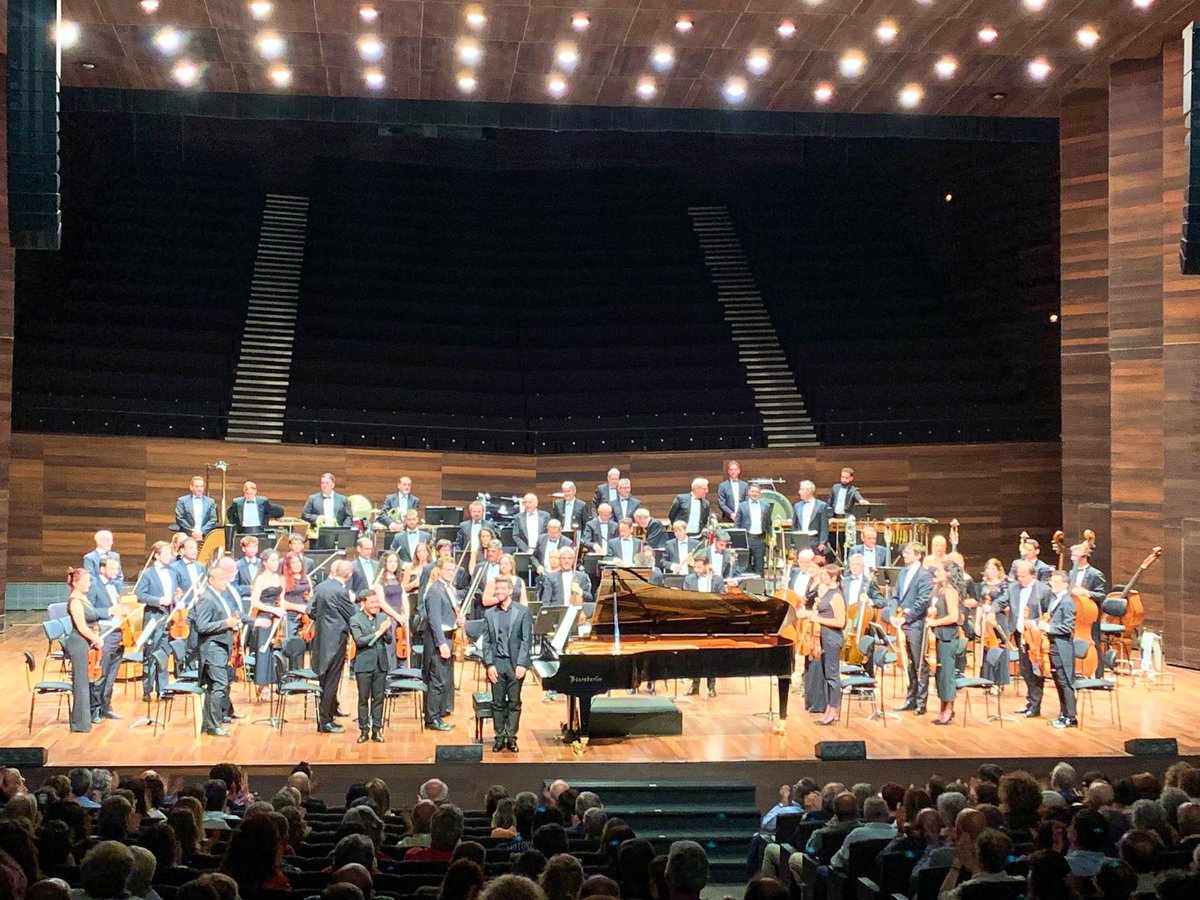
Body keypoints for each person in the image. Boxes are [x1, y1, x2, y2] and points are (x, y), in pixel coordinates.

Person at [481, 577, 533, 753]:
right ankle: (499, 737)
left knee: (514, 702)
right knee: (497, 703)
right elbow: (486, 643)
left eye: (503, 588)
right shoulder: (489, 614)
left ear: (510, 591)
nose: (499, 591)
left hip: (515, 665)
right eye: (497, 589)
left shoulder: (523, 611)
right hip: (497, 664)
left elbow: (527, 640)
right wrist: (489, 664)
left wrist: (522, 664)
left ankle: (511, 737)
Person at [191, 564, 241, 737]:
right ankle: (214, 724)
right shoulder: (207, 598)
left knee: (215, 686)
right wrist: (226, 624)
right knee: (219, 685)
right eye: (221, 579)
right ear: (211, 580)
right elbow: (202, 626)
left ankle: (210, 723)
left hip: (221, 647)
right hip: (213, 648)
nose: (225, 582)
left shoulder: (220, 596)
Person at [311, 560, 357, 734]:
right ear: (349, 575)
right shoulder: (342, 591)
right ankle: (325, 721)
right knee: (332, 681)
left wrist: (325, 621)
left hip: (321, 638)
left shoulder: (321, 587)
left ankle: (328, 713)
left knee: (324, 678)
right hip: (336, 640)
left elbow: (310, 610)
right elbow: (351, 614)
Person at [1001, 560, 1052, 718]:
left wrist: (1035, 622)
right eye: (1018, 576)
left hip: (1034, 635)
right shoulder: (1013, 588)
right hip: (1019, 633)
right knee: (1025, 670)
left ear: (1032, 575)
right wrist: (993, 609)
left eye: (1023, 576)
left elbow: (1049, 614)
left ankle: (1036, 706)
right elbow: (1002, 600)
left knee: (1035, 670)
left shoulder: (1043, 590)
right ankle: (1031, 701)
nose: (1020, 579)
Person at [890, 542, 933, 715]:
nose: (904, 554)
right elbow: (895, 596)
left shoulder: (924, 575)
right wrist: (893, 614)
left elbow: (922, 601)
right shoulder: (902, 573)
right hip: (901, 622)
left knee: (919, 663)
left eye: (908, 552)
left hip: (915, 624)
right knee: (908, 663)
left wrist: (906, 618)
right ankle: (910, 699)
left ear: (918, 555)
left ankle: (921, 702)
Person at [248, 551, 294, 702]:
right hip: (264, 618)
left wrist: (281, 611)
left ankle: (274, 683)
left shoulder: (279, 578)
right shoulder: (260, 579)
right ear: (264, 562)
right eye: (273, 560)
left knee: (275, 651)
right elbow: (255, 602)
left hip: (277, 618)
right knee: (263, 651)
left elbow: (280, 599)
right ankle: (263, 686)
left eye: (277, 560)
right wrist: (273, 610)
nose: (276, 563)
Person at [805, 564, 846, 726]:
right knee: (827, 674)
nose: (822, 577)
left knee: (832, 675)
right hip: (824, 637)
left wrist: (817, 619)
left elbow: (840, 622)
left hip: (832, 639)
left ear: (833, 578)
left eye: (825, 575)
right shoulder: (827, 593)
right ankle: (829, 708)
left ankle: (833, 710)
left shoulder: (836, 596)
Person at [350, 590, 393, 743]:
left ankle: (377, 730)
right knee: (363, 699)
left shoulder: (382, 617)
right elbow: (360, 641)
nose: (376, 605)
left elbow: (389, 640)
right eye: (372, 602)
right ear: (363, 603)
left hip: (381, 665)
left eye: (377, 602)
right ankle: (363, 730)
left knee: (379, 699)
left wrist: (386, 631)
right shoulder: (355, 619)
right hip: (364, 665)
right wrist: (379, 631)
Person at [64, 568, 104, 733]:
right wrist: (96, 639)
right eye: (85, 581)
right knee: (80, 683)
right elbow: (81, 626)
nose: (89, 584)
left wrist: (95, 635)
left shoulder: (83, 597)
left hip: (87, 642)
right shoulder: (74, 601)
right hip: (78, 643)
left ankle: (85, 718)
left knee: (87, 682)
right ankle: (80, 723)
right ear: (75, 583)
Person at [86, 554, 125, 722]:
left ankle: (105, 707)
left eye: (117, 568)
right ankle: (94, 710)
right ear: (102, 569)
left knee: (111, 674)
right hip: (104, 633)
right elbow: (88, 611)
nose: (116, 571)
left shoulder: (114, 586)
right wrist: (110, 611)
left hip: (118, 632)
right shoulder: (94, 586)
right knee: (100, 673)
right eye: (113, 568)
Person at [423, 558, 460, 732]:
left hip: (449, 638)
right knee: (437, 681)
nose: (451, 573)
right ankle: (432, 719)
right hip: (440, 640)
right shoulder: (435, 591)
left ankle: (438, 714)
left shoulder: (446, 589)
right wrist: (442, 644)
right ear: (439, 569)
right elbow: (434, 621)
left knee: (443, 679)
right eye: (448, 569)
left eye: (453, 570)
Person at [1039, 570, 1078, 729]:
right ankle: (1063, 714)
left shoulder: (1067, 602)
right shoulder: (1055, 600)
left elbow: (1067, 627)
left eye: (1055, 582)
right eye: (1051, 582)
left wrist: (1049, 627)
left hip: (1062, 647)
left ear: (1064, 584)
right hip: (1054, 646)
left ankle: (1071, 717)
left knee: (1065, 682)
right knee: (1058, 681)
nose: (1051, 585)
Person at [927, 560, 962, 726]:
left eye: (940, 570)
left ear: (948, 573)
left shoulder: (950, 592)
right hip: (939, 637)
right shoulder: (938, 589)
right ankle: (942, 708)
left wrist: (935, 622)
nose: (936, 573)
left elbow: (954, 617)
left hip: (948, 637)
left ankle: (948, 709)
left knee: (947, 674)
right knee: (940, 675)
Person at [1069, 542, 1107, 678]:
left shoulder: (1096, 574)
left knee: (1094, 644)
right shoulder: (1071, 573)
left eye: (1075, 555)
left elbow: (1102, 595)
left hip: (1089, 615)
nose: (1072, 558)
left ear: (1084, 556)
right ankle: (1076, 671)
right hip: (1074, 614)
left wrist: (1087, 592)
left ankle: (1098, 675)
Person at [735, 483, 772, 575]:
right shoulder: (742, 506)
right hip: (746, 539)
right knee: (744, 566)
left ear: (760, 493)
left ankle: (760, 588)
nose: (754, 493)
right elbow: (737, 524)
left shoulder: (766, 506)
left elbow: (768, 523)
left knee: (759, 566)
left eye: (757, 492)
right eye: (752, 491)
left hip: (759, 540)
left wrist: (773, 535)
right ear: (748, 492)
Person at [791, 481, 828, 555]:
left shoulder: (821, 506)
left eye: (801, 489)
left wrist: (823, 543)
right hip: (800, 541)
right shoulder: (797, 506)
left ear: (808, 491)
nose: (799, 492)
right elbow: (794, 525)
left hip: (815, 541)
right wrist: (793, 542)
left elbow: (824, 526)